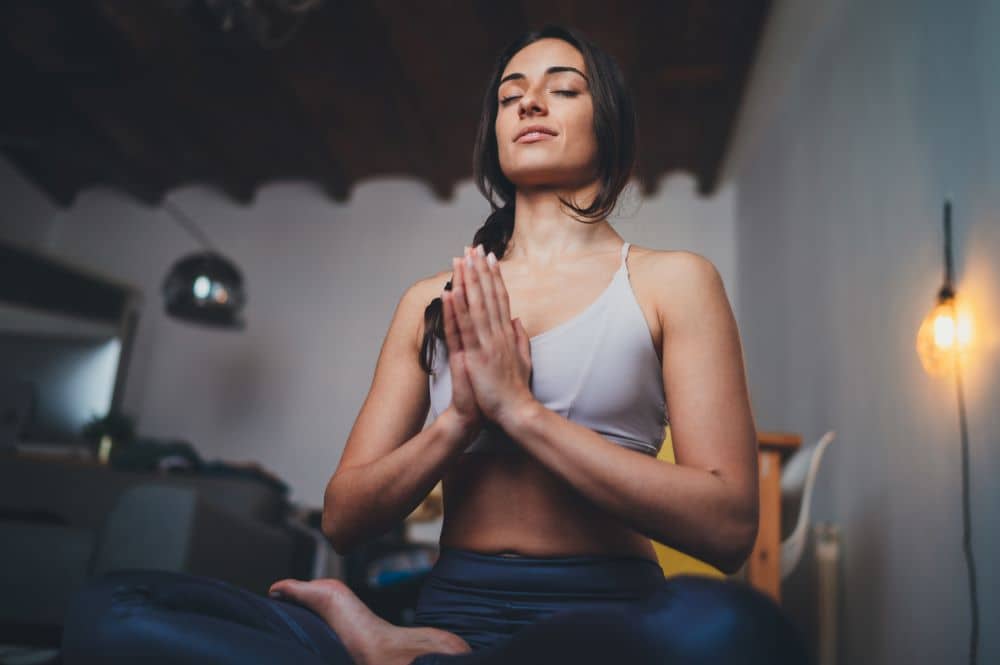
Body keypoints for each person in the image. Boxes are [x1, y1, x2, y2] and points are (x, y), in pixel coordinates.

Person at [62, 24, 807, 665]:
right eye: (511, 92)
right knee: (116, 605)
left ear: (607, 124)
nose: (528, 101)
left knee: (739, 631)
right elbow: (344, 515)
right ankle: (390, 643)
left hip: (602, 618)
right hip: (451, 613)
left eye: (562, 87)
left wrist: (522, 412)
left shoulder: (673, 282)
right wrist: (459, 423)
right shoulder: (432, 301)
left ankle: (380, 643)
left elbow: (729, 527)